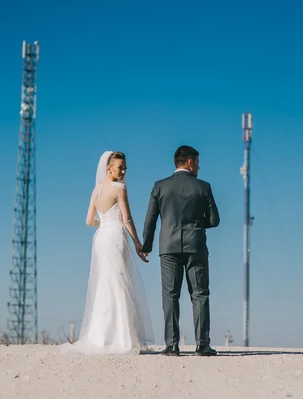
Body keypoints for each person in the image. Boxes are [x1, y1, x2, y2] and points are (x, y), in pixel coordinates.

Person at [58, 151, 153, 355]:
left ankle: (100, 336)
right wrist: (138, 243)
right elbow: (127, 219)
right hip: (115, 236)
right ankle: (122, 338)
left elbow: (89, 221)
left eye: (125, 167)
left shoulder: (96, 190)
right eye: (120, 167)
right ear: (109, 168)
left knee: (104, 283)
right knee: (119, 281)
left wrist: (106, 221)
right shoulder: (119, 188)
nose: (124, 171)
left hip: (101, 237)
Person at [141, 145, 220, 356]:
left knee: (170, 295)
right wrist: (195, 224)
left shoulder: (160, 186)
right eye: (198, 163)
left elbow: (150, 219)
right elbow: (214, 220)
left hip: (168, 247)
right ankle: (202, 345)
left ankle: (172, 345)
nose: (199, 168)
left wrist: (146, 246)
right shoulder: (204, 187)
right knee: (200, 294)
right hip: (196, 247)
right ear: (191, 162)